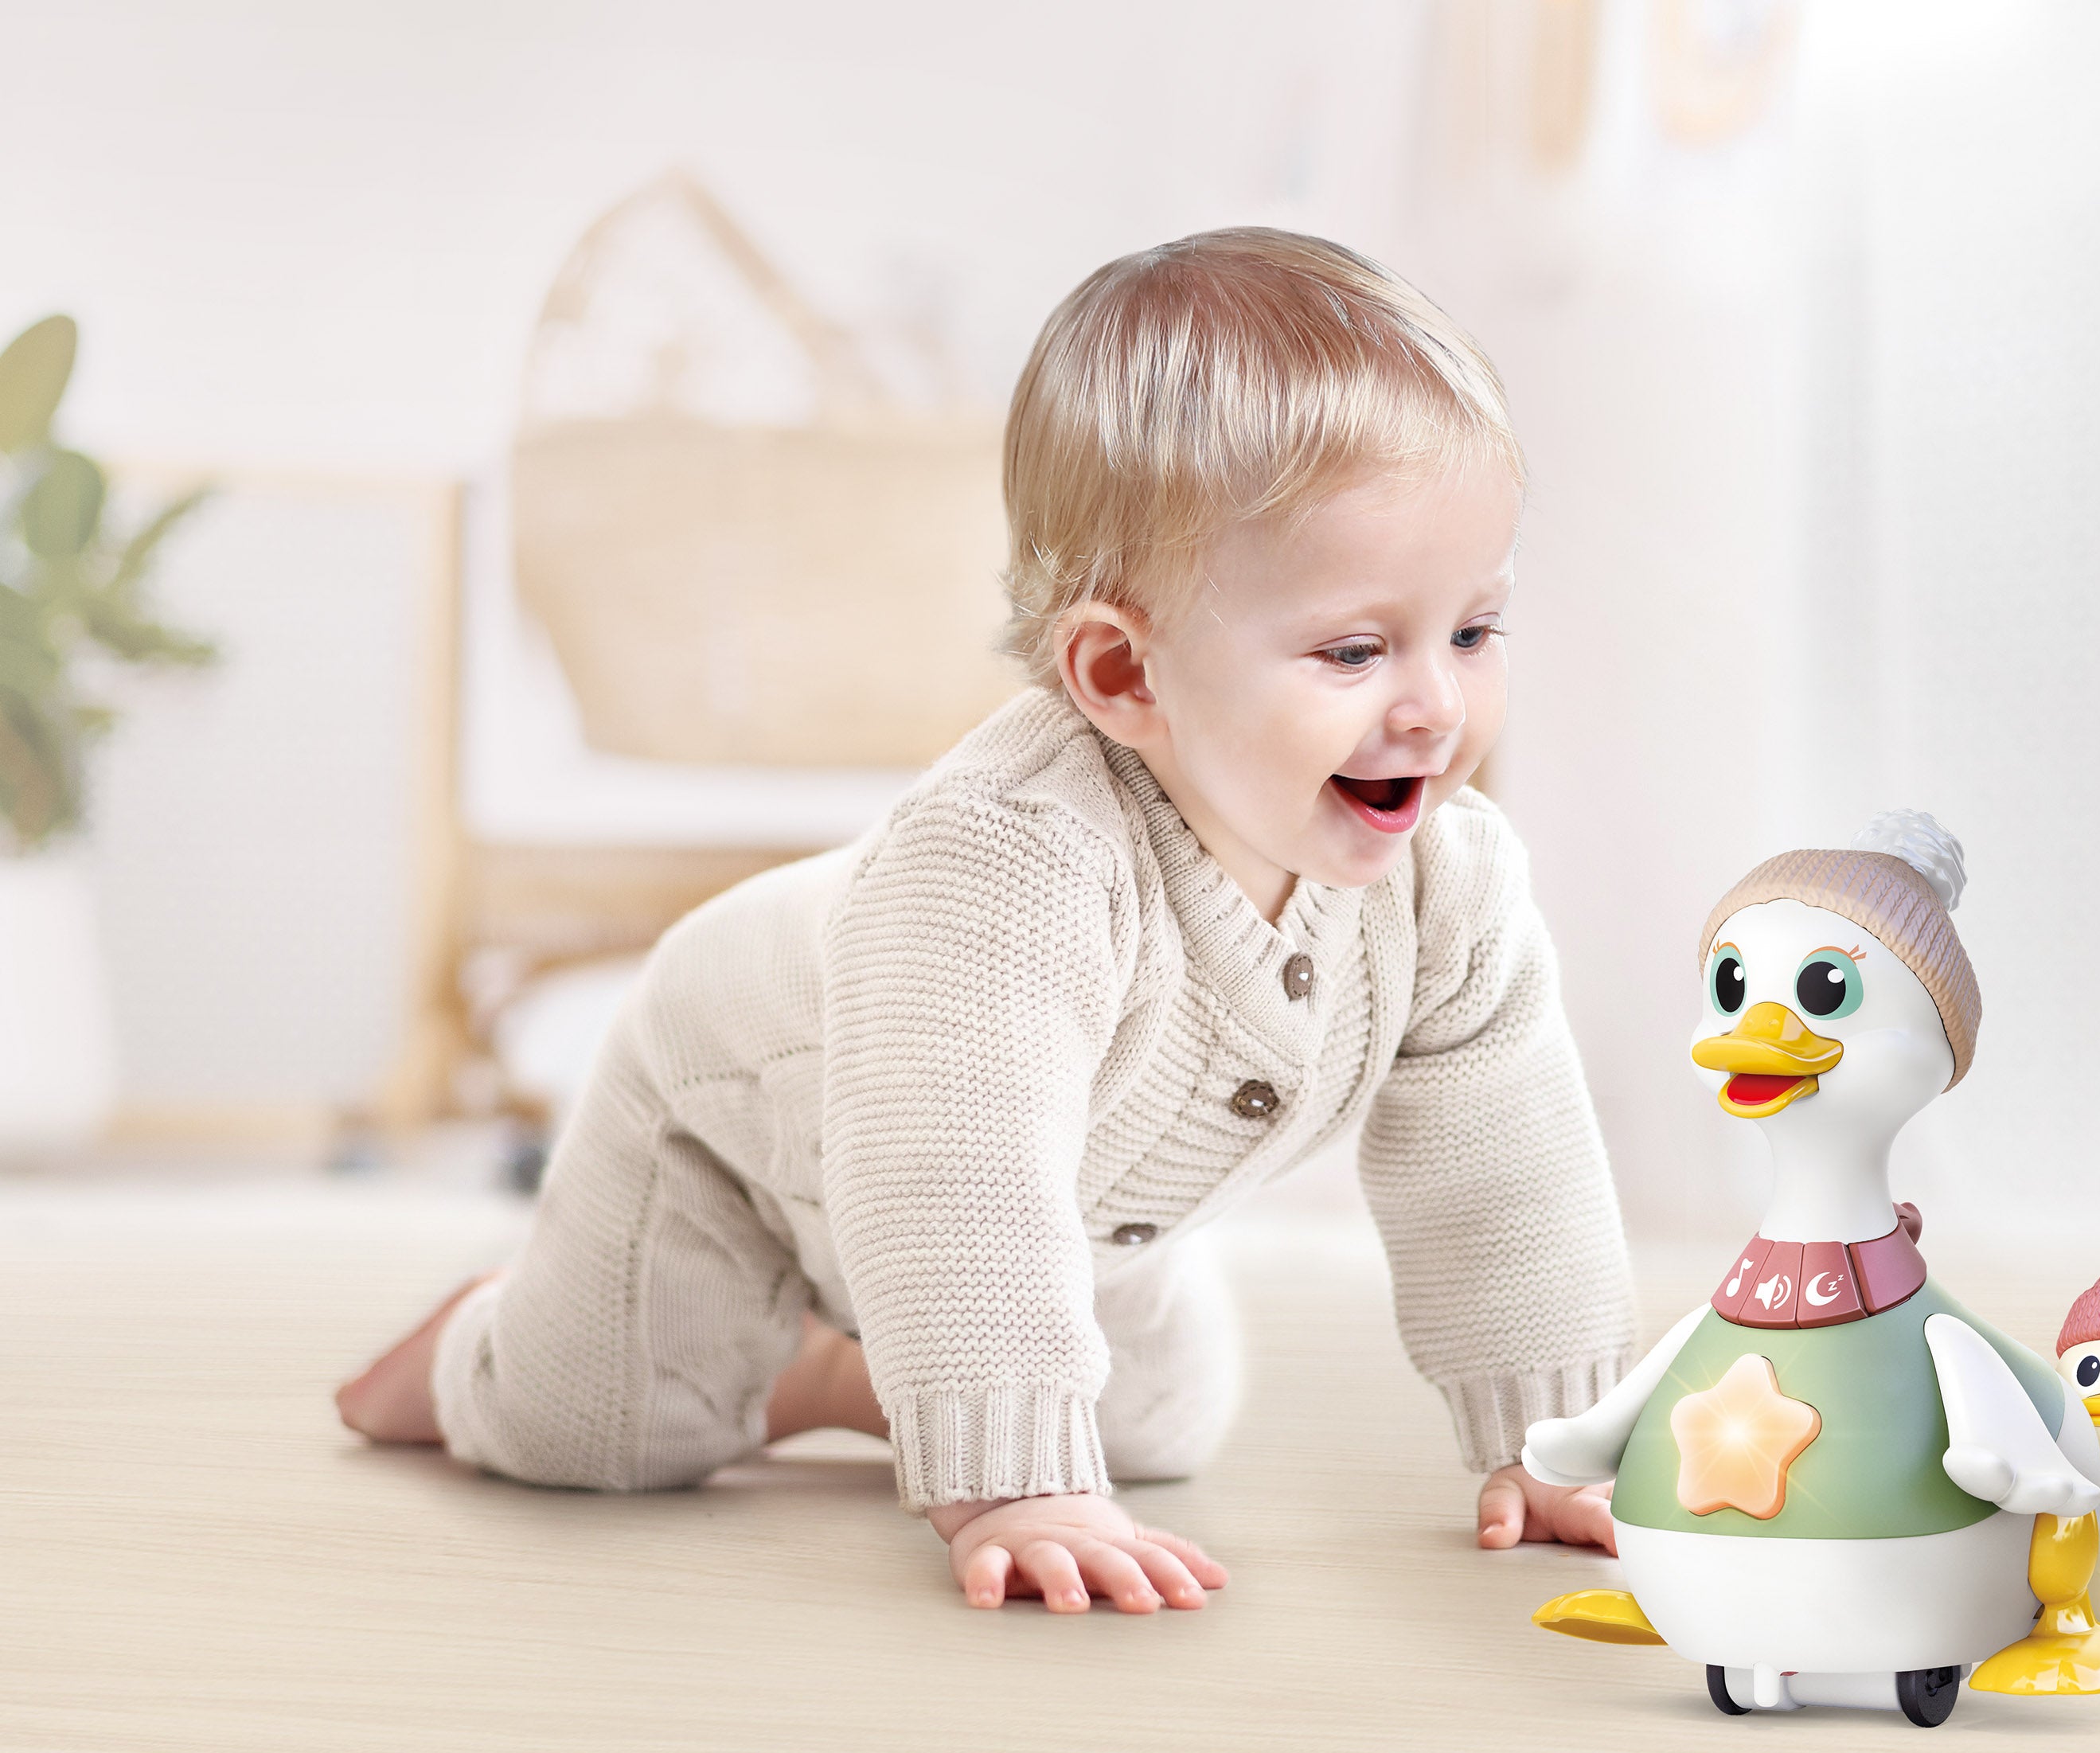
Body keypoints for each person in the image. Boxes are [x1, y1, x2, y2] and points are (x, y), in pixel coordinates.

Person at [336, 228, 1635, 1616]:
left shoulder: (1450, 884)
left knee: (1159, 1423)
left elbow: (1507, 1172)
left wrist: (1561, 1443)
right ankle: (480, 1340)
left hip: (1069, 1198)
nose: (1435, 706)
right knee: (594, 1429)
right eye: (1356, 651)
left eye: (1473, 633)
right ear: (1124, 673)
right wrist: (1012, 1484)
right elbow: (953, 1170)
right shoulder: (1008, 864)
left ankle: (839, 1375)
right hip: (755, 1125)